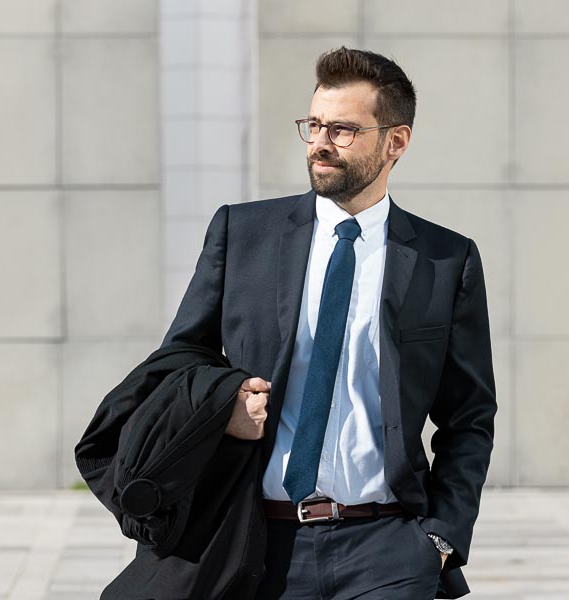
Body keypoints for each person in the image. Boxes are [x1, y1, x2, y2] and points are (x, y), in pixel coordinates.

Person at [160, 46, 497, 599]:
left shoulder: (445, 260)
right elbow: (177, 360)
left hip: (388, 545)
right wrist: (224, 404)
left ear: (396, 142)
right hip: (258, 542)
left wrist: (439, 538)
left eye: (342, 130)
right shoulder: (242, 235)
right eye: (313, 124)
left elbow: (470, 415)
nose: (319, 143)